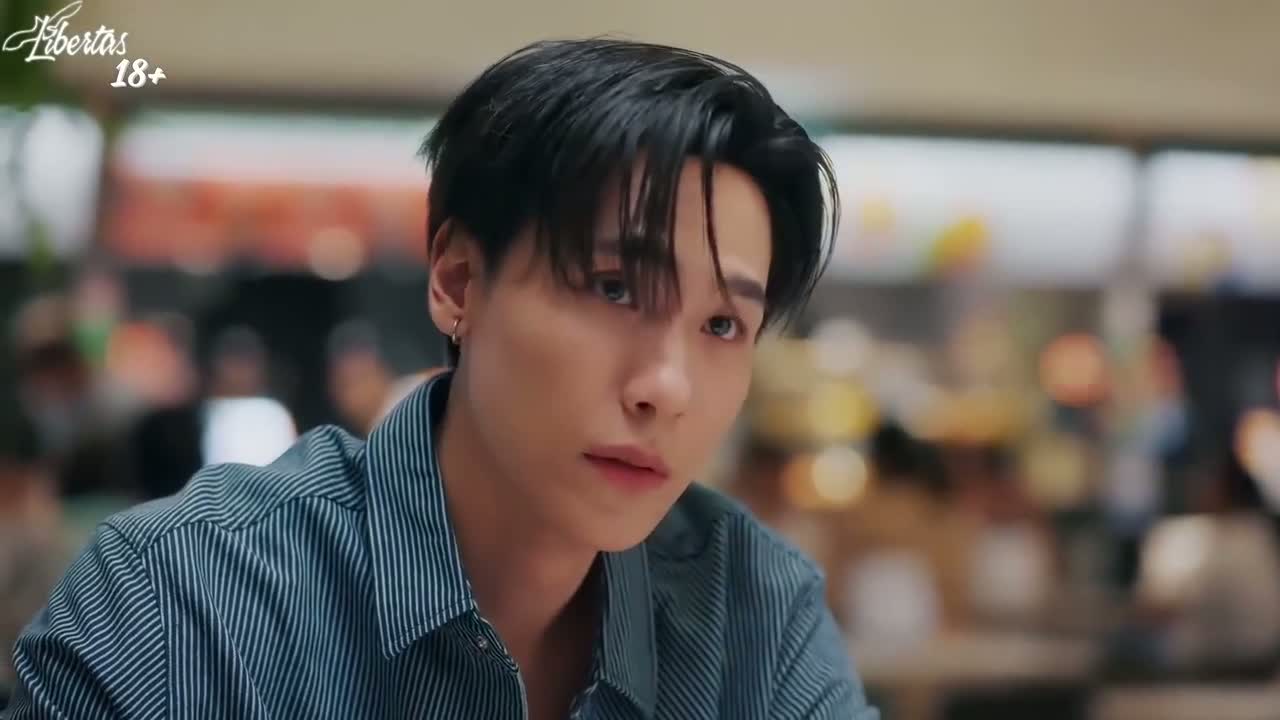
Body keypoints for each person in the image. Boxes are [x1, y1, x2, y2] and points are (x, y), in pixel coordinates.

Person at [5, 39, 877, 719]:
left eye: (722, 325)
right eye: (615, 288)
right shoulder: (180, 603)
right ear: (459, 282)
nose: (668, 387)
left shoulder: (755, 613)